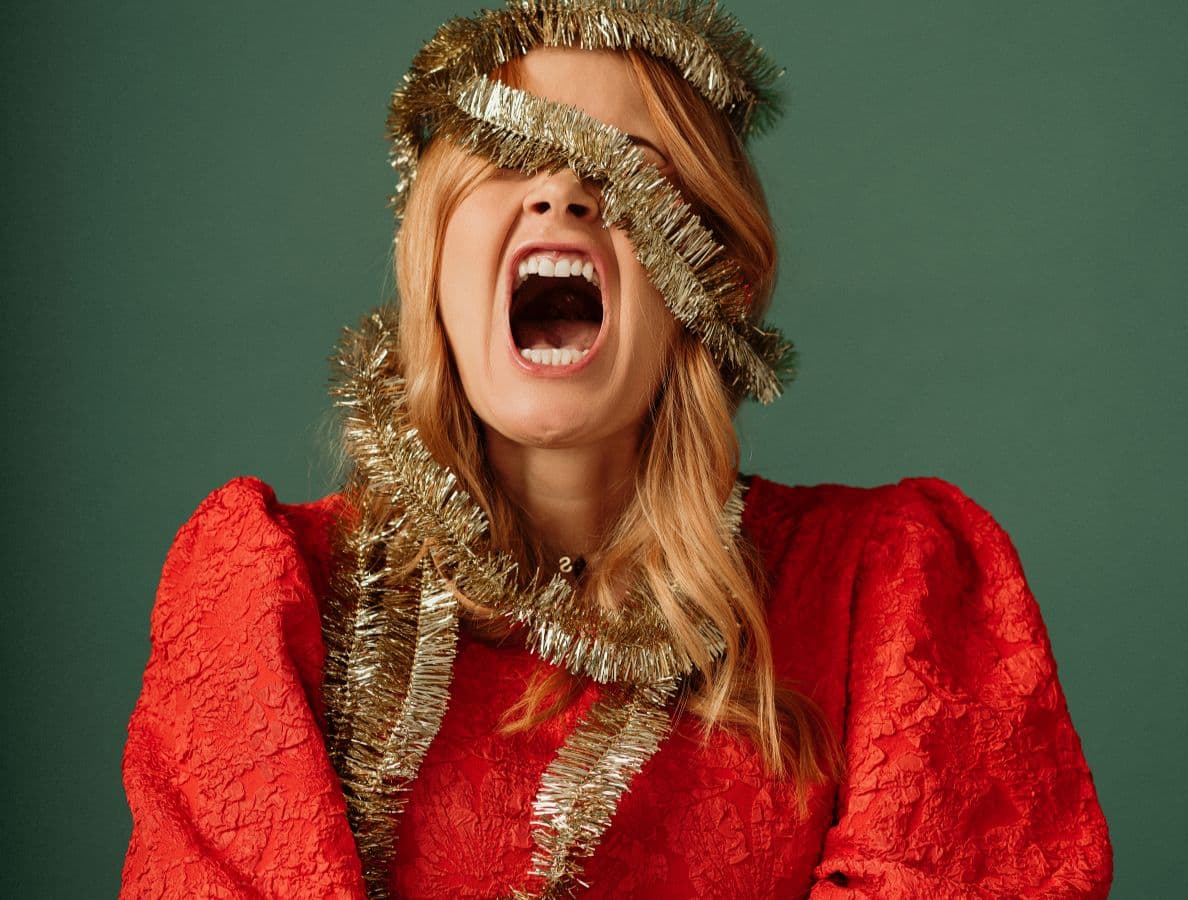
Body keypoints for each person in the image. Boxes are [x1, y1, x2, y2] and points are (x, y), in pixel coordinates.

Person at [120, 2, 1112, 897]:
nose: (561, 195)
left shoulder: (888, 593)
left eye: (627, 166)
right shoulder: (266, 599)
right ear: (434, 255)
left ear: (712, 285)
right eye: (511, 156)